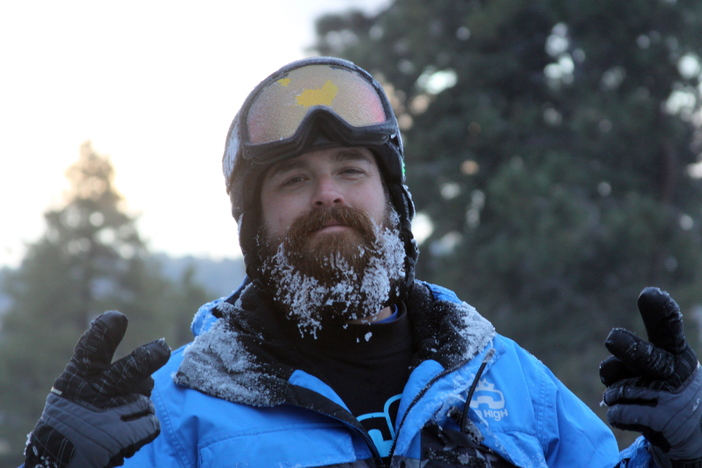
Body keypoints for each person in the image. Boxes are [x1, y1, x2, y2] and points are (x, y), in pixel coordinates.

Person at [23, 57, 702, 468]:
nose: (327, 195)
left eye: (352, 170)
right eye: (292, 180)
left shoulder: (503, 378)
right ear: (253, 225)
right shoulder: (174, 412)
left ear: (394, 204)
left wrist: (686, 450)